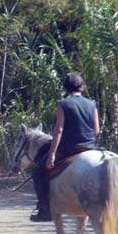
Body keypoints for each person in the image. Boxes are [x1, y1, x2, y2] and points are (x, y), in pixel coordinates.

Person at [30, 72, 100, 222]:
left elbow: (59, 130)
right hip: (90, 147)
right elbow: (96, 130)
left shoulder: (63, 104)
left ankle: (45, 210)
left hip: (70, 149)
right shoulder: (92, 104)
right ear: (82, 87)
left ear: (66, 88)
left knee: (37, 171)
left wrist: (52, 155)